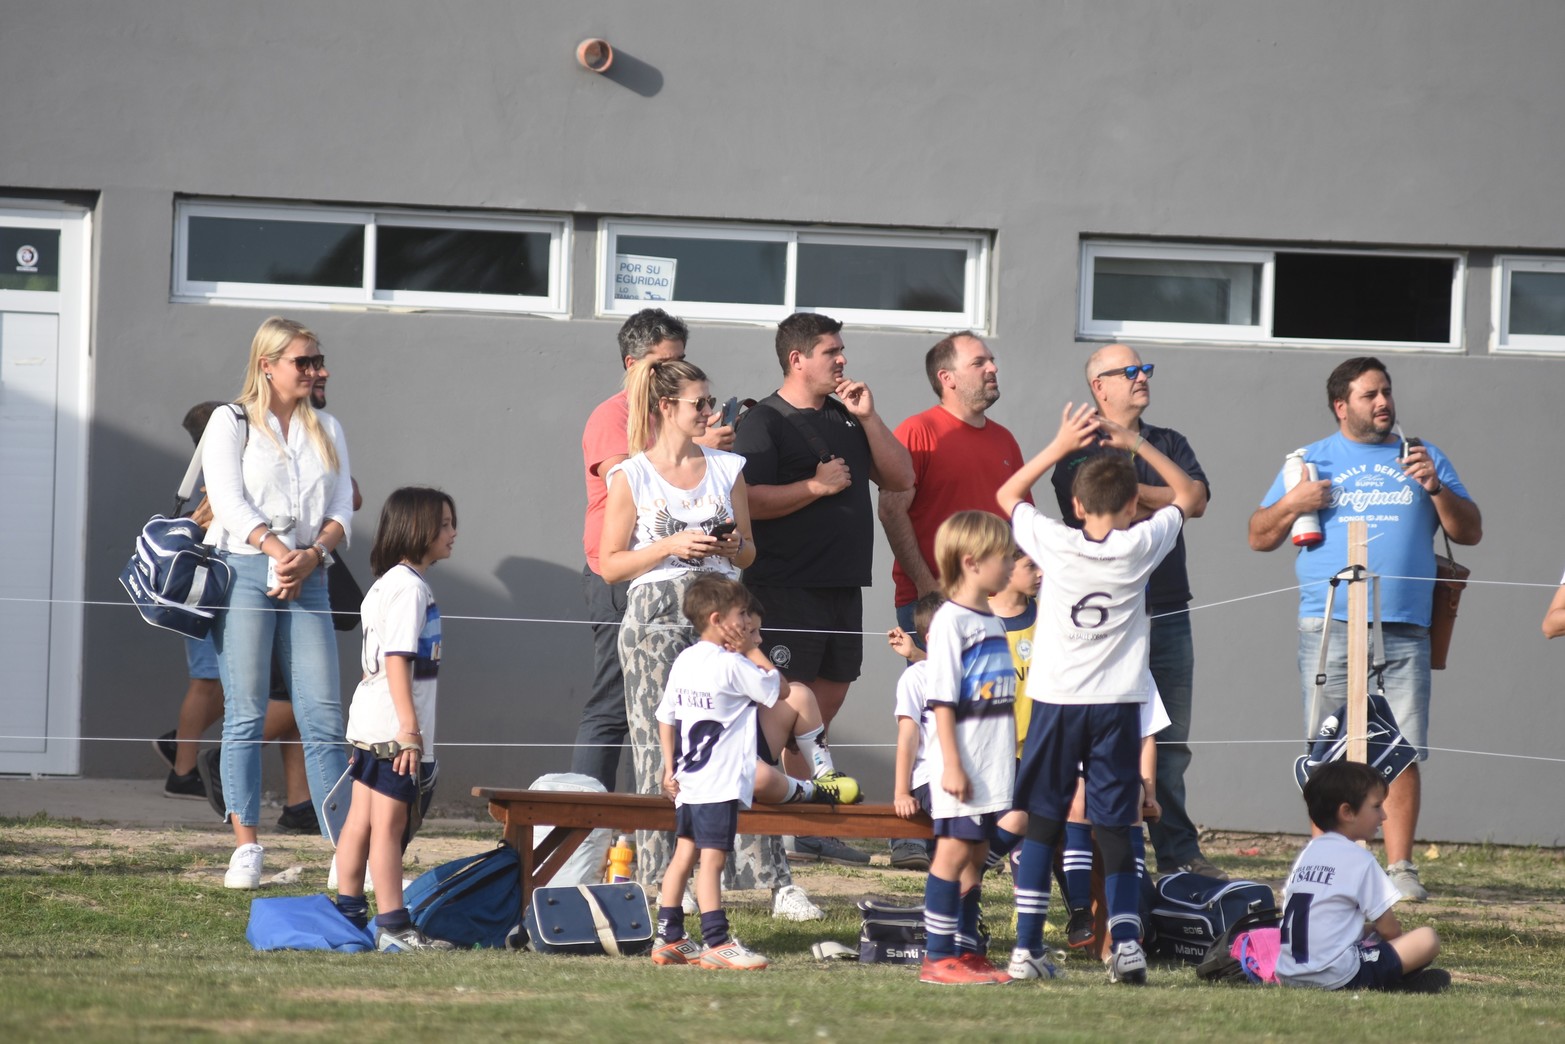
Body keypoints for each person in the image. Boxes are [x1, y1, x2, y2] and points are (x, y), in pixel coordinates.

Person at [1249, 356, 1482, 902]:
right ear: (1341, 406)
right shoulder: (1310, 460)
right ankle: (1327, 865)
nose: (1383, 403)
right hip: (1329, 624)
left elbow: (1469, 532)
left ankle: (1400, 869)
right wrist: (1294, 503)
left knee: (1401, 748)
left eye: (1387, 392)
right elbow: (1258, 536)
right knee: (1329, 748)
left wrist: (1434, 487)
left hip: (1404, 623)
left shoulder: (1421, 455)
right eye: (1369, 395)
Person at [602, 357, 827, 917]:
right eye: (699, 403)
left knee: (746, 739)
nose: (711, 411)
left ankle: (774, 881)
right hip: (655, 617)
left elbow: (749, 548)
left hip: (725, 609)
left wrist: (729, 548)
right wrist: (671, 546)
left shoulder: (729, 467)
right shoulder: (632, 473)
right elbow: (610, 564)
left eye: (710, 401)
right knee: (665, 749)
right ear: (665, 408)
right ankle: (666, 884)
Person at [998, 402, 1203, 985]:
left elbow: (1008, 493)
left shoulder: (1055, 542)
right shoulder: (1142, 545)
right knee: (1118, 825)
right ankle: (1129, 946)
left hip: (1057, 702)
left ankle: (1027, 947)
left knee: (1042, 818)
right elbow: (1187, 493)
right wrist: (1132, 442)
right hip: (1118, 706)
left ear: (1077, 505)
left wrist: (1062, 445)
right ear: (1135, 506)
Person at [732, 311, 914, 865]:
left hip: (842, 585)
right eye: (831, 351)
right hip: (785, 585)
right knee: (784, 701)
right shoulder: (763, 421)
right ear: (797, 359)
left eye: (841, 350)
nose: (842, 360)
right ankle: (780, 823)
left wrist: (872, 417)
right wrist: (814, 485)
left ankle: (802, 817)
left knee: (829, 695)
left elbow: (901, 477)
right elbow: (747, 499)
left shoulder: (848, 416)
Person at [1049, 344, 1218, 878]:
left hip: (1167, 611)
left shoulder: (1167, 441)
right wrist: (1163, 497)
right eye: (1129, 371)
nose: (1142, 377)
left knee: (1168, 743)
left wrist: (1138, 458)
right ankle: (1099, 849)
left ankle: (1178, 854)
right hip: (1107, 619)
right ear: (1099, 386)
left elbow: (1197, 499)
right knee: (1094, 739)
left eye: (1145, 368)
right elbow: (1093, 506)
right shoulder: (1079, 445)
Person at [202, 316, 353, 889]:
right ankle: (246, 846)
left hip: (309, 572)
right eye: (305, 362)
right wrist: (274, 549)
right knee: (245, 710)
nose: (319, 370)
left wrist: (312, 554)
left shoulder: (328, 427)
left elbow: (343, 506)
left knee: (323, 715)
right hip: (244, 569)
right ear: (268, 365)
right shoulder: (231, 421)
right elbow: (227, 499)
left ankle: (345, 848)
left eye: (318, 360)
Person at [576, 309, 733, 793]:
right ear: (631, 363)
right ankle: (586, 820)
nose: (673, 373)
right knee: (613, 704)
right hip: (625, 574)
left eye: (681, 360)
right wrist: (695, 443)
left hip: (686, 577)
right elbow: (625, 477)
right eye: (662, 363)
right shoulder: (613, 414)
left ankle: (659, 810)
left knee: (672, 707)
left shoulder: (680, 416)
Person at [333, 487, 457, 953]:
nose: (453, 533)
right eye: (444, 524)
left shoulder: (386, 584)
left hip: (370, 722)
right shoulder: (409, 588)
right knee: (389, 826)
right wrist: (409, 730)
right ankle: (393, 926)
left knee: (359, 822)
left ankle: (349, 914)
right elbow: (398, 659)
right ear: (416, 528)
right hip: (392, 730)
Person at [651, 575, 789, 971]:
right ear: (717, 619)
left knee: (682, 857)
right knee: (711, 862)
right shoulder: (732, 664)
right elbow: (776, 689)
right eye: (741, 613)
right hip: (719, 782)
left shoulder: (686, 659)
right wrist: (753, 650)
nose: (747, 621)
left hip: (689, 780)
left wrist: (669, 765)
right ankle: (717, 941)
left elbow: (666, 717)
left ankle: (669, 937)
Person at [916, 511, 1018, 986]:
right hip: (963, 764)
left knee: (976, 857)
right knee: (952, 855)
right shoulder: (951, 622)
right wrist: (952, 765)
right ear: (973, 562)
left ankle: (966, 952)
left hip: (992, 765)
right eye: (1005, 556)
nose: (1013, 563)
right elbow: (941, 700)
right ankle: (938, 958)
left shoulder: (991, 620)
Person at [1276, 760, 1446, 992]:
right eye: (1376, 807)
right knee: (1427, 939)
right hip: (1335, 976)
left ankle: (1394, 979)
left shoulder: (1309, 853)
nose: (1384, 816)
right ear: (1347, 812)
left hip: (1289, 974)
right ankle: (1394, 983)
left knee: (1367, 931)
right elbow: (1389, 930)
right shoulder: (1359, 859)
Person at [888, 591, 947, 873]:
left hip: (969, 778)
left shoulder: (969, 673)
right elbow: (907, 737)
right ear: (929, 636)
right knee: (962, 837)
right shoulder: (916, 677)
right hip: (931, 780)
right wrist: (901, 791)